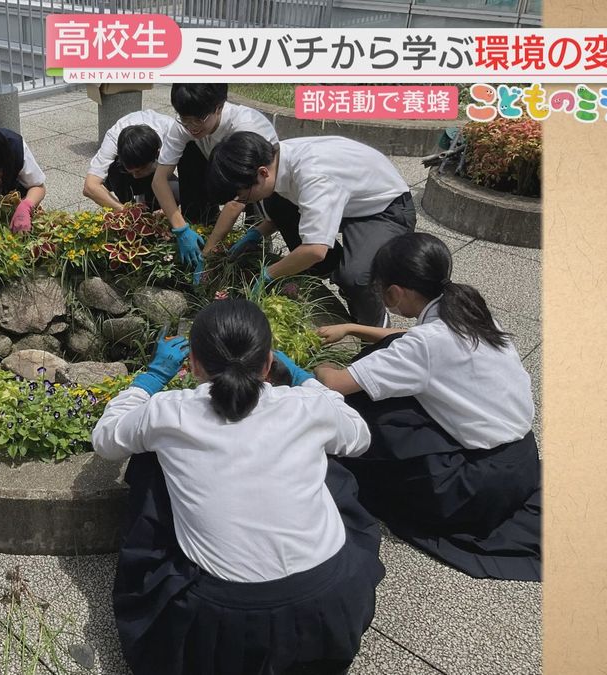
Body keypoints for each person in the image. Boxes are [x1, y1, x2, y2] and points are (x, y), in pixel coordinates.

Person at [92, 299, 385, 675]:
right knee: (332, 469)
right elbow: (358, 437)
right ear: (267, 364)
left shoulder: (168, 412)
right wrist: (303, 379)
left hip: (224, 622)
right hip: (330, 603)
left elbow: (105, 440)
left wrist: (150, 378)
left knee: (148, 461)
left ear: (193, 363)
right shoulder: (306, 406)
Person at [313, 233, 541, 581]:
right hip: (522, 461)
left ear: (394, 293)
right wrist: (351, 327)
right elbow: (406, 339)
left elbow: (335, 383)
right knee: (383, 370)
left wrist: (310, 363)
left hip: (476, 489)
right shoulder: (471, 310)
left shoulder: (426, 345)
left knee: (368, 408)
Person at [206, 131, 416, 328]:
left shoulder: (313, 176)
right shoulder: (278, 159)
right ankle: (327, 268)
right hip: (351, 201)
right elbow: (282, 215)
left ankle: (376, 328)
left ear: (262, 172)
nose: (245, 202)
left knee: (355, 276)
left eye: (244, 197)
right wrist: (255, 234)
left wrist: (268, 275)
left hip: (384, 208)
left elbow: (315, 249)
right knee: (275, 203)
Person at [150, 84, 279, 283]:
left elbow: (237, 201)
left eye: (199, 119)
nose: (192, 126)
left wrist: (207, 255)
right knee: (188, 152)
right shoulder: (184, 126)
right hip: (217, 166)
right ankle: (203, 223)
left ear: (219, 107)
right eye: (185, 119)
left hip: (255, 180)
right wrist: (181, 229)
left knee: (255, 208)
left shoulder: (246, 128)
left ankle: (255, 245)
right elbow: (159, 180)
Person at [83, 109, 179, 211]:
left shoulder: (173, 133)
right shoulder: (113, 138)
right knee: (114, 172)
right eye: (131, 171)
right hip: (121, 174)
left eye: (139, 170)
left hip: (158, 166)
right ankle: (128, 199)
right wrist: (125, 212)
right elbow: (90, 186)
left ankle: (148, 200)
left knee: (178, 191)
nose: (135, 175)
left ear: (157, 153)